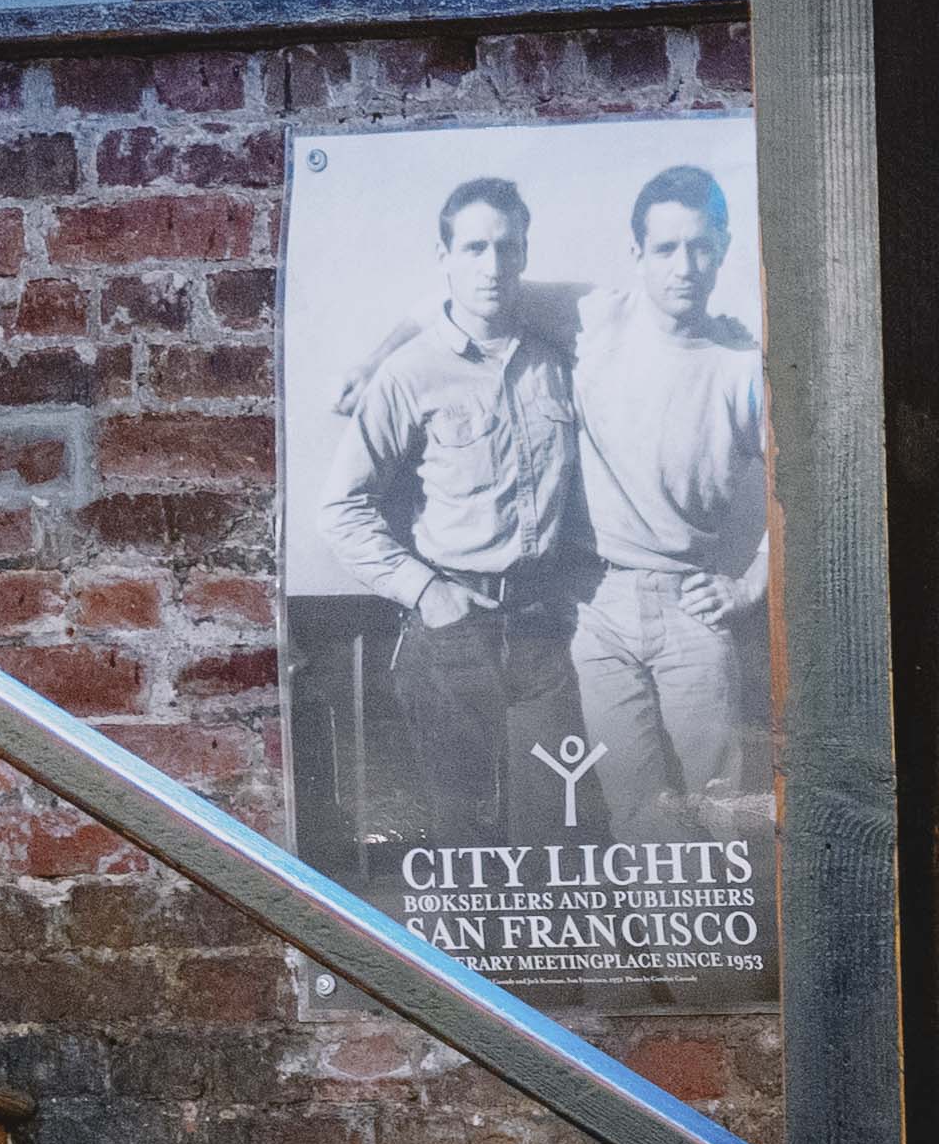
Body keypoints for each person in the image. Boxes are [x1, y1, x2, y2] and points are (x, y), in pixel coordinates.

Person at [322, 174, 583, 849]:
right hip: (451, 629)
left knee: (556, 832)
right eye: (472, 249)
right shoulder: (409, 374)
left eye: (507, 248)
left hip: (542, 629)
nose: (491, 266)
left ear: (525, 255)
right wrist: (428, 592)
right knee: (462, 841)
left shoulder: (557, 360)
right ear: (444, 259)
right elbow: (341, 510)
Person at [566, 161, 771, 842]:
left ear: (723, 249)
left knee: (722, 805)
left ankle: (731, 954)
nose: (684, 266)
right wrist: (370, 368)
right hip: (597, 606)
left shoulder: (746, 365)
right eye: (665, 248)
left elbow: (803, 485)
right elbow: (477, 296)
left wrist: (747, 587)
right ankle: (681, 955)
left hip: (690, 604)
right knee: (636, 809)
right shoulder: (596, 317)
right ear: (638, 255)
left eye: (700, 246)